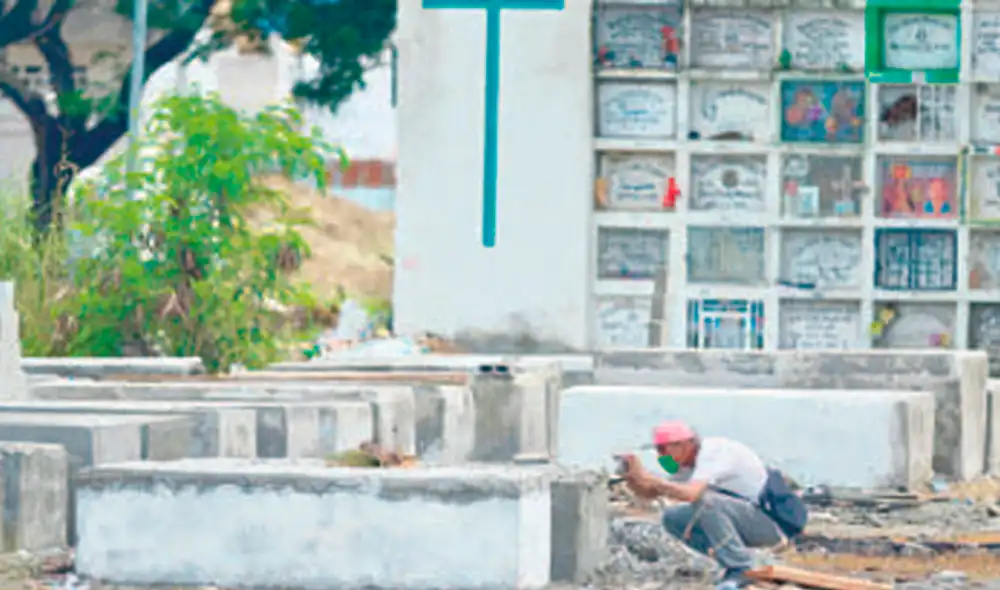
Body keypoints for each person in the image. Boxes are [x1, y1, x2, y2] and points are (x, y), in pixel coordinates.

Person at [618, 421, 806, 590]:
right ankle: (731, 561)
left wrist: (652, 479)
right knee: (673, 518)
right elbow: (653, 493)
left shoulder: (714, 453)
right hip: (747, 519)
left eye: (663, 450)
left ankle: (740, 568)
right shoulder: (690, 465)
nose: (661, 456)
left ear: (684, 444)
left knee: (707, 501)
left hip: (773, 524)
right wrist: (634, 478)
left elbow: (691, 494)